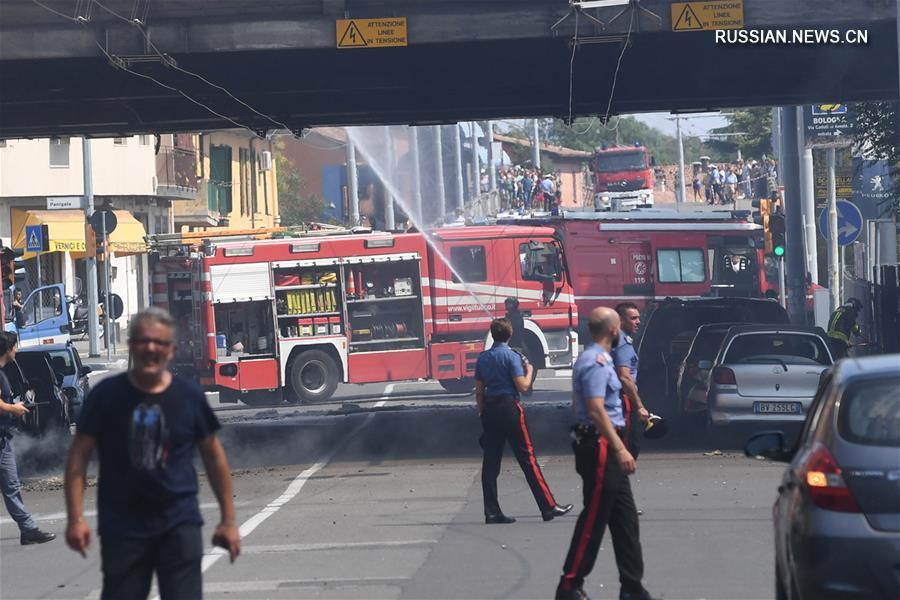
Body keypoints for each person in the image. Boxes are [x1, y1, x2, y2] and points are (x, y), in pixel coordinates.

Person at [64, 307, 240, 600]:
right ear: (132, 346)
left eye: (159, 343)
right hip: (123, 528)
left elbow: (214, 457)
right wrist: (75, 518)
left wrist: (229, 521)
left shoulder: (189, 397)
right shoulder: (105, 396)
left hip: (179, 525)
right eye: (143, 341)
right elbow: (78, 457)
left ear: (170, 350)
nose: (150, 348)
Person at [555, 307, 655, 600]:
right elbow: (596, 409)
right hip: (601, 446)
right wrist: (620, 447)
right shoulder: (597, 361)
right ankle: (569, 584)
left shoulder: (597, 359)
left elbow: (578, 406)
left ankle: (632, 586)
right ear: (613, 330)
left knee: (625, 520)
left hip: (604, 444)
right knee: (594, 518)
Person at [475, 318, 572, 524]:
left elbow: (479, 391)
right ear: (509, 335)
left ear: (492, 334)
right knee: (527, 459)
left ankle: (491, 511)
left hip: (491, 410)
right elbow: (522, 386)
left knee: (490, 464)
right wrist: (529, 370)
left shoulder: (483, 358)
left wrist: (483, 415)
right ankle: (548, 506)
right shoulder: (512, 357)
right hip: (509, 408)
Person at [0, 332, 57, 545]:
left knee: (12, 486)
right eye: (15, 346)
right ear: (8, 348)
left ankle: (28, 529)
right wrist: (13, 408)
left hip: (3, 441)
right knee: (11, 486)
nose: (17, 350)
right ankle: (28, 529)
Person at [611, 303, 650, 457]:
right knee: (628, 447)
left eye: (638, 318)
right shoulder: (622, 344)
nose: (638, 322)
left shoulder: (612, 339)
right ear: (620, 320)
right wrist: (639, 406)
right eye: (633, 318)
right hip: (622, 401)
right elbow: (624, 377)